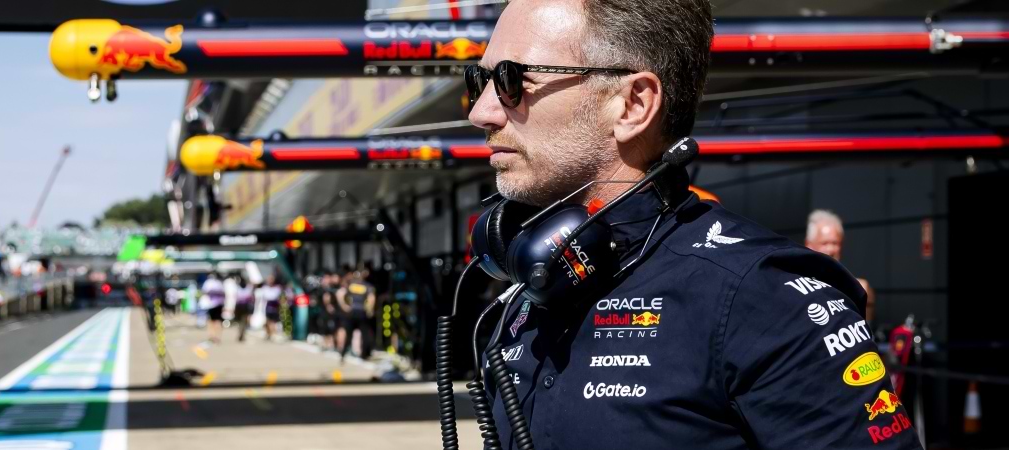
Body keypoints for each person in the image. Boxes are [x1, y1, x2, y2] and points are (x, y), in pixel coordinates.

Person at [466, 1, 919, 448]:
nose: (480, 111)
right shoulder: (531, 285)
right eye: (479, 79)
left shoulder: (763, 299)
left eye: (511, 80)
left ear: (632, 105)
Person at [806, 209, 876, 323]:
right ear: (809, 245)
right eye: (824, 243)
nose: (830, 249)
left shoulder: (856, 287)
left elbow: (866, 332)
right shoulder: (796, 281)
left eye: (835, 243)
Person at [336, 268, 375, 362]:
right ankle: (365, 355)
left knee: (349, 334)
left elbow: (340, 294)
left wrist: (344, 306)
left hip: (352, 312)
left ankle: (343, 353)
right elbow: (371, 298)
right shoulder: (367, 286)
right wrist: (370, 310)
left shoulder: (350, 285)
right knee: (365, 334)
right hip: (361, 312)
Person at [256, 275, 285, 342]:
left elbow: (280, 298)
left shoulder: (277, 288)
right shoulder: (265, 288)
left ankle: (273, 333)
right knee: (268, 321)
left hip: (275, 306)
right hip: (267, 306)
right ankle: (269, 333)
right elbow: (262, 298)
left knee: (273, 321)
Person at [200, 272, 225, 345]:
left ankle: (211, 336)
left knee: (211, 321)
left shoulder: (208, 283)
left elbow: (204, 292)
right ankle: (217, 336)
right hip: (219, 304)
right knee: (218, 321)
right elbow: (223, 293)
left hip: (211, 305)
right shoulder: (219, 283)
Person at [233, 276, 256, 343]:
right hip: (241, 307)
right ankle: (241, 334)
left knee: (243, 321)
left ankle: (241, 334)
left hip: (244, 307)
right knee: (241, 321)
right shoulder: (241, 289)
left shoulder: (246, 288)